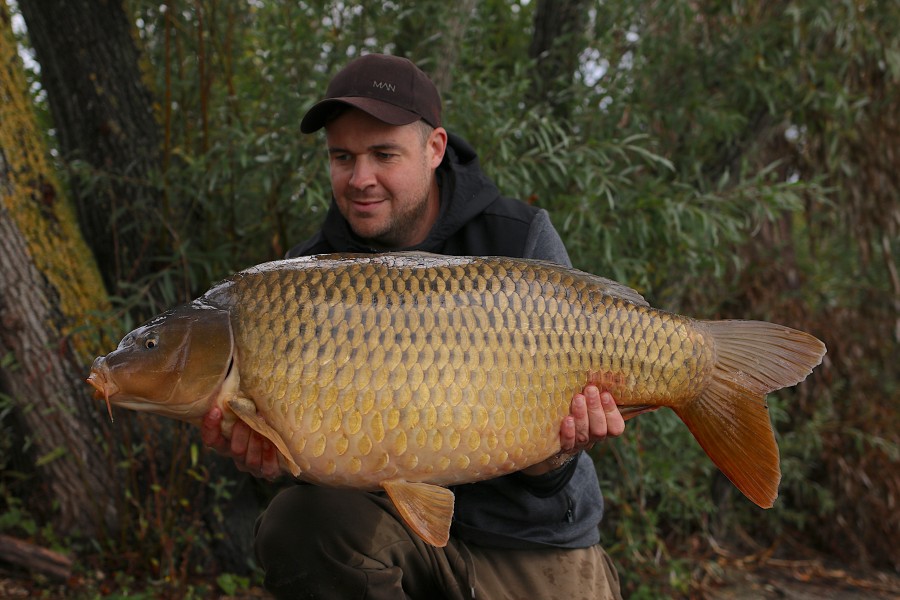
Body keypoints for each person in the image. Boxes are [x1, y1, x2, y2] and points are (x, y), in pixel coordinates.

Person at [201, 53, 626, 599]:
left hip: (529, 538)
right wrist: (274, 457)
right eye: (341, 157)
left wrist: (562, 448)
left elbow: (554, 461)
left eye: (383, 154)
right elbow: (324, 461)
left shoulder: (516, 238)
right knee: (296, 522)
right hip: (388, 536)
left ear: (434, 149)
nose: (360, 179)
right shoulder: (301, 280)